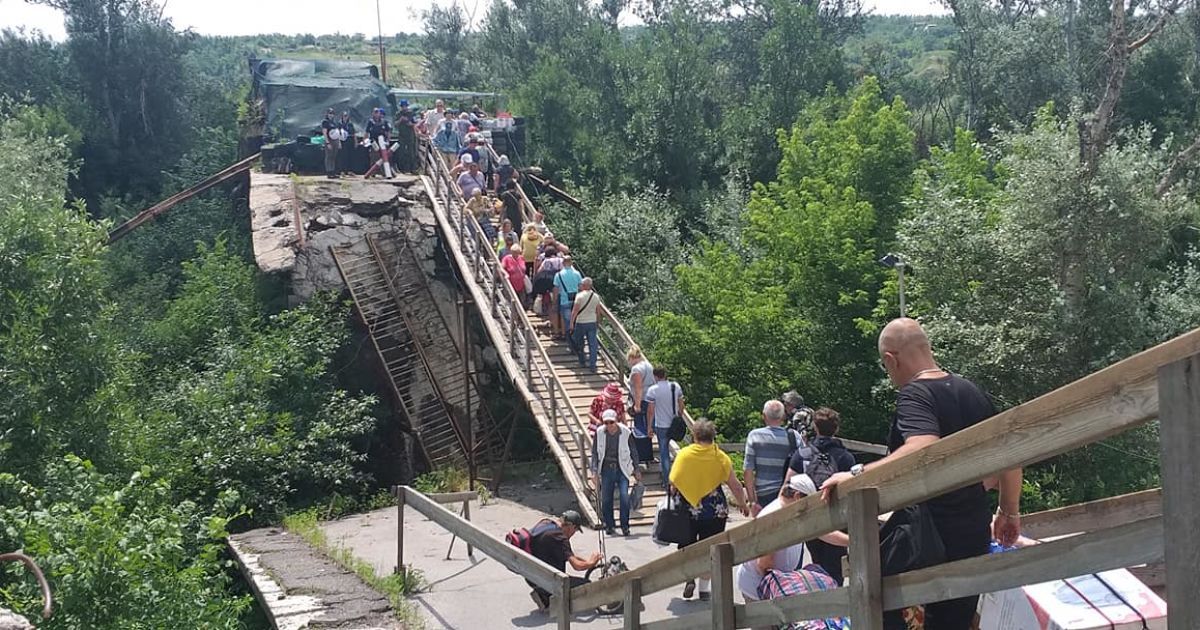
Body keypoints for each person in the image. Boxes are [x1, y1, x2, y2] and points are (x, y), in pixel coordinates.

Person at [820, 318, 1023, 630]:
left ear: (891, 359)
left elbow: (922, 446)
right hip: (972, 529)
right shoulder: (972, 391)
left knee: (873, 595)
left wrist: (857, 476)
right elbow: (1010, 453)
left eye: (886, 368)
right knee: (953, 622)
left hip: (928, 533)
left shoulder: (914, 394)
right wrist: (1008, 510)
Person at [669, 419, 750, 600]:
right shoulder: (720, 457)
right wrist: (743, 504)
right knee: (711, 548)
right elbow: (735, 485)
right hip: (714, 510)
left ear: (695, 436)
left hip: (687, 509)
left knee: (687, 546)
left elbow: (673, 482)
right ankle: (704, 589)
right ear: (713, 436)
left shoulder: (684, 454)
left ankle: (689, 577)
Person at [735, 474, 848, 603]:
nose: (810, 508)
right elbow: (764, 564)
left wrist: (850, 540)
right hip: (759, 587)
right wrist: (789, 585)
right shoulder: (773, 518)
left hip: (779, 580)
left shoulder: (796, 512)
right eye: (809, 503)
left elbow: (821, 532)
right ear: (797, 497)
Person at [783, 407, 855, 583]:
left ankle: (819, 596)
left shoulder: (802, 454)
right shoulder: (845, 457)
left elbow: (788, 486)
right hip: (837, 518)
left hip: (811, 516)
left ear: (815, 427)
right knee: (835, 567)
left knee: (817, 562)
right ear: (836, 429)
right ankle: (834, 597)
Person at [525, 510, 601, 611]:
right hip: (547, 579)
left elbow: (570, 555)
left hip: (531, 574)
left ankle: (543, 593)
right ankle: (545, 594)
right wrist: (591, 562)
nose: (574, 533)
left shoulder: (545, 523)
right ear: (571, 526)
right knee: (587, 584)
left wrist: (586, 561)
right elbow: (577, 566)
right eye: (575, 530)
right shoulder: (560, 538)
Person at [743, 400, 805, 515]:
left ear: (764, 416)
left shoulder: (754, 436)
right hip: (789, 493)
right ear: (783, 416)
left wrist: (752, 501)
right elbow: (804, 464)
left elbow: (748, 470)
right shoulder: (794, 436)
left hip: (763, 494)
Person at [590, 409, 641, 536]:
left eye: (611, 422)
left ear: (616, 421)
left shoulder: (626, 432)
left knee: (624, 497)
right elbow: (595, 453)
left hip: (622, 467)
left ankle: (625, 526)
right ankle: (609, 524)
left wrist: (637, 469)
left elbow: (634, 451)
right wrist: (594, 471)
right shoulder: (600, 432)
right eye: (606, 423)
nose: (608, 425)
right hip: (607, 468)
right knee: (606, 499)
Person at [645, 366, 684, 486]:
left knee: (664, 453)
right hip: (674, 423)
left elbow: (650, 411)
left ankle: (667, 481)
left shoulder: (653, 390)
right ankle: (679, 477)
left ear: (655, 376)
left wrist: (649, 427)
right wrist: (679, 416)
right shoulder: (675, 386)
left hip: (661, 425)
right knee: (679, 451)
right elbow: (681, 405)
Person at [569, 277, 603, 370]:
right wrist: (598, 322)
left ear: (584, 286)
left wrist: (571, 323)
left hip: (581, 322)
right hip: (592, 322)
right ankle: (593, 365)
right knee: (592, 344)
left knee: (579, 343)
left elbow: (574, 311)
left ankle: (582, 361)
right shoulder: (596, 296)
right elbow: (598, 311)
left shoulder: (579, 296)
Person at [626, 346, 656, 446]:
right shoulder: (648, 365)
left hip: (642, 400)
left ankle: (642, 451)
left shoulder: (636, 370)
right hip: (651, 398)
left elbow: (638, 388)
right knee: (649, 424)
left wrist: (637, 405)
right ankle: (647, 448)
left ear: (631, 358)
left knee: (640, 427)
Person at [553, 256, 583, 340]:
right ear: (571, 263)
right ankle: (576, 336)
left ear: (563, 263)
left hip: (564, 300)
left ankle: (564, 334)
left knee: (564, 318)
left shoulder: (558, 275)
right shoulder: (577, 273)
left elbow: (556, 289)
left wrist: (554, 301)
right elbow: (581, 287)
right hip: (576, 300)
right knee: (575, 318)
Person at [363, 108, 392, 179]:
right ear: (373, 113)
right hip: (373, 141)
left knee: (383, 157)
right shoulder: (370, 122)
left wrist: (388, 141)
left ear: (379, 113)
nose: (376, 114)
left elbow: (388, 132)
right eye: (375, 112)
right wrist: (364, 140)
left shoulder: (384, 122)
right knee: (373, 156)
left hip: (382, 141)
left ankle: (384, 172)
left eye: (377, 112)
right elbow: (367, 132)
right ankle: (373, 173)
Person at [394, 100, 418, 172]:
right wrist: (401, 120)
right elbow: (395, 124)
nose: (404, 108)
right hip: (401, 134)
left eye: (405, 106)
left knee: (411, 151)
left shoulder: (411, 113)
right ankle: (402, 168)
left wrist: (409, 123)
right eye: (402, 106)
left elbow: (415, 123)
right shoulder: (398, 114)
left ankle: (412, 168)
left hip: (410, 134)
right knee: (401, 151)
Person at [320, 108, 341, 179]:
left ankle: (333, 171)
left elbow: (337, 133)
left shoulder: (334, 123)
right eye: (330, 113)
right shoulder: (325, 122)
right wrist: (327, 142)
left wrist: (339, 142)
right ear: (327, 114)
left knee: (333, 156)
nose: (331, 115)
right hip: (329, 140)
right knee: (329, 156)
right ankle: (329, 172)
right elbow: (324, 132)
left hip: (335, 141)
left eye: (332, 113)